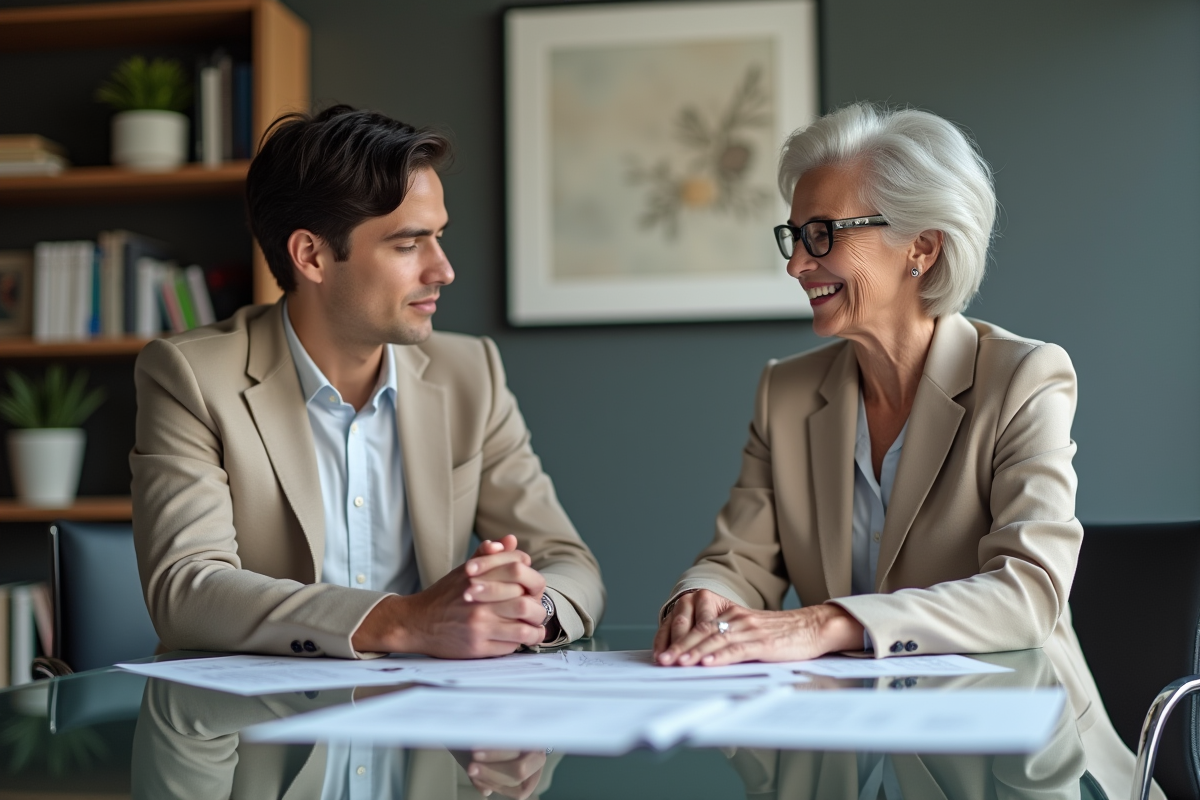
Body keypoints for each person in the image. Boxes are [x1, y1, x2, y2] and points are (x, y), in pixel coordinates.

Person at [652, 102, 1154, 800]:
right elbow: (743, 558)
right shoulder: (787, 391)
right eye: (793, 237)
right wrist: (704, 596)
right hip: (839, 752)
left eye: (822, 235)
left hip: (1015, 761)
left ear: (922, 247)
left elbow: (1028, 593)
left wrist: (830, 622)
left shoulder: (1023, 377)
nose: (797, 263)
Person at [131, 106, 604, 662]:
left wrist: (530, 611)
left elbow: (568, 560)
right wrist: (407, 621)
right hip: (253, 732)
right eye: (408, 244)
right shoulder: (190, 376)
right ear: (312, 255)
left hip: (432, 726)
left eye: (439, 237)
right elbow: (186, 590)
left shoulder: (472, 373)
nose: (443, 270)